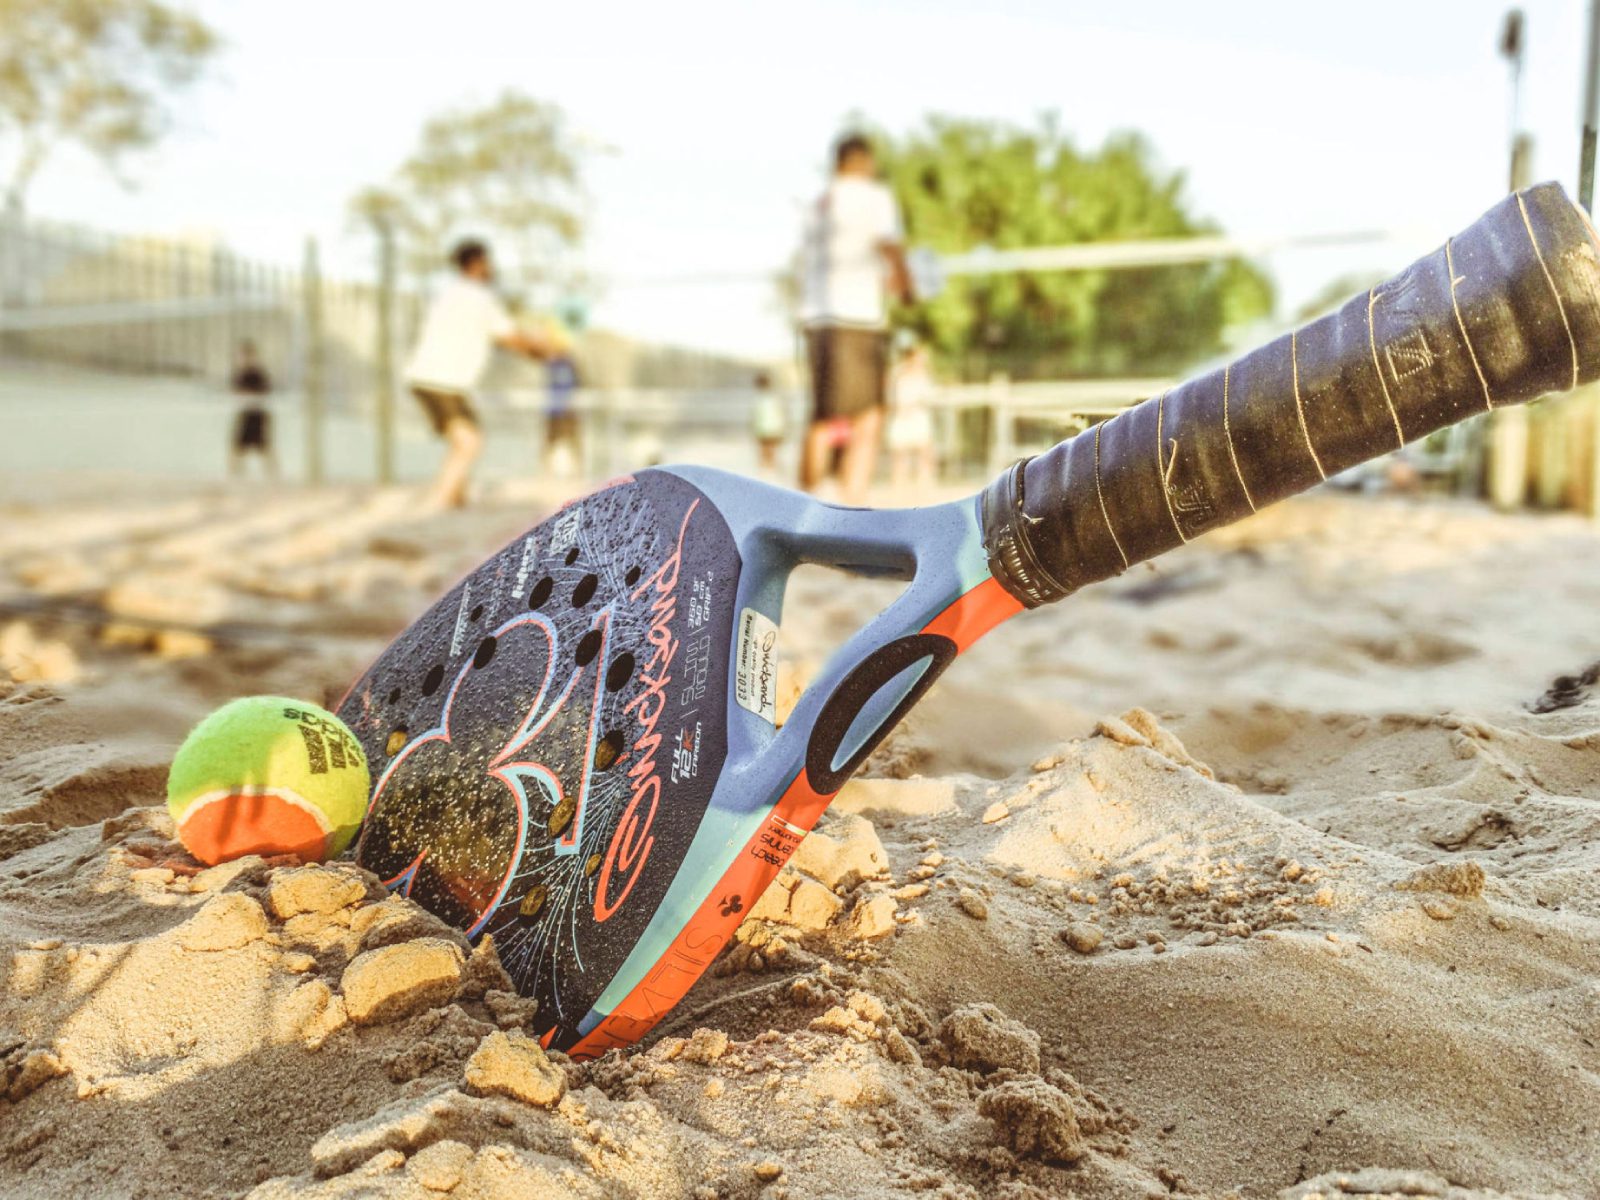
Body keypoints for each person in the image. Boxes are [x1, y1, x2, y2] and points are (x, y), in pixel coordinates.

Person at [798, 133, 912, 504]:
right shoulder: (872, 196)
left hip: (818, 320)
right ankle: (850, 508)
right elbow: (889, 245)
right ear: (863, 161)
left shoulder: (820, 204)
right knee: (868, 416)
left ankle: (807, 505)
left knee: (823, 415)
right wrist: (906, 285)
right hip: (856, 319)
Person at [405, 240, 552, 510]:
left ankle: (455, 498)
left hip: (440, 381)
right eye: (487, 262)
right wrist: (540, 350)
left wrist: (531, 348)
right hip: (441, 381)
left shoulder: (450, 294)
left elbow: (496, 337)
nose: (491, 268)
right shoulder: (479, 298)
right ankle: (437, 503)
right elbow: (510, 337)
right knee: (468, 442)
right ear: (476, 263)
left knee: (466, 438)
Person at [887, 337, 937, 491]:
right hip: (901, 414)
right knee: (899, 450)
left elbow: (928, 395)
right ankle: (899, 480)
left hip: (918, 414)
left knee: (924, 448)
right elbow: (891, 393)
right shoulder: (897, 372)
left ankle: (925, 479)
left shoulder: (924, 375)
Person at [229, 341, 276, 479]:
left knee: (265, 449)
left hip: (257, 417)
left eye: (244, 356)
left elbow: (263, 394)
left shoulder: (258, 374)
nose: (241, 359)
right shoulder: (239, 374)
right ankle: (236, 478)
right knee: (237, 450)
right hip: (244, 417)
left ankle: (274, 478)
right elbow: (236, 395)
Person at [544, 345, 581, 479]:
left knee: (572, 440)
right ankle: (547, 472)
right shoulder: (552, 364)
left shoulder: (570, 364)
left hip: (567, 410)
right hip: (553, 410)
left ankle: (577, 472)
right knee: (551, 440)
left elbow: (577, 385)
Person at [749, 370, 786, 474]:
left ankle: (765, 469)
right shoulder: (775, 398)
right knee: (772, 449)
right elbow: (780, 413)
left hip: (762, 428)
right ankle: (771, 467)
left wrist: (753, 428)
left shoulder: (757, 399)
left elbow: (755, 415)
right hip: (774, 428)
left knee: (763, 450)